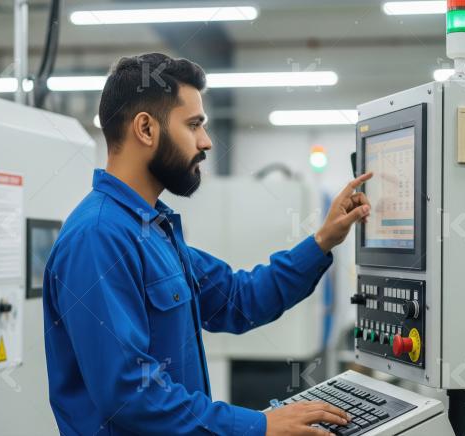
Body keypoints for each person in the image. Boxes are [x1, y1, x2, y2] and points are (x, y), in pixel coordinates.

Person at [43, 53, 372, 436]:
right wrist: (258, 425)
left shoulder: (153, 230)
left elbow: (239, 299)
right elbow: (131, 396)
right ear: (146, 129)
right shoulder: (98, 237)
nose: (207, 142)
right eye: (194, 125)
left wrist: (322, 240)